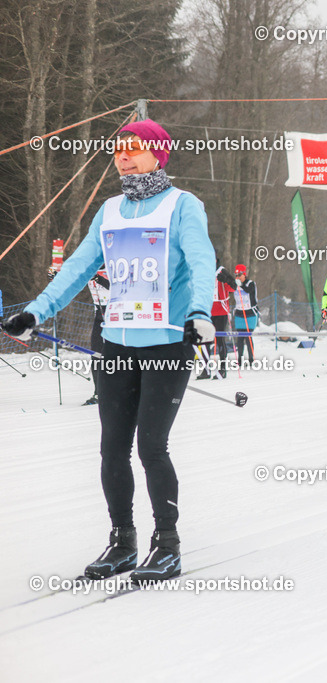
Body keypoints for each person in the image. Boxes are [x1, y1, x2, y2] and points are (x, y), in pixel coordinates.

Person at [2, 119, 215, 582]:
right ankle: (123, 542)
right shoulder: (110, 210)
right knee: (111, 449)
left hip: (167, 344)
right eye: (118, 149)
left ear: (159, 154)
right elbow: (78, 267)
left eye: (134, 148)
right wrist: (36, 313)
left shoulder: (183, 205)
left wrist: (200, 312)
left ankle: (167, 546)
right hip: (117, 344)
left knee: (151, 447)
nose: (123, 155)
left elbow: (202, 261)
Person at [82, 268, 110, 404]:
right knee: (96, 354)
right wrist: (55, 276)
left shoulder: (113, 262)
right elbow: (73, 281)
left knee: (118, 354)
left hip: (116, 313)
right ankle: (98, 393)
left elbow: (115, 287)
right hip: (99, 314)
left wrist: (98, 278)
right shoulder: (89, 267)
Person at [205, 256, 236, 379]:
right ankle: (206, 369)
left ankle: (222, 369)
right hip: (207, 310)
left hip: (220, 311)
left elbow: (233, 287)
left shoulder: (222, 271)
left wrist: (226, 280)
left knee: (219, 339)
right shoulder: (204, 269)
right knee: (205, 340)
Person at [233, 264, 259, 365]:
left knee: (248, 336)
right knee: (240, 337)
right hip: (239, 313)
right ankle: (239, 359)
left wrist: (241, 285)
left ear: (244, 274)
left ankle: (251, 359)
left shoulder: (250, 283)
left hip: (250, 313)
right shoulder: (236, 284)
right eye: (236, 275)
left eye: (239, 275)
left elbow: (249, 291)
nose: (237, 277)